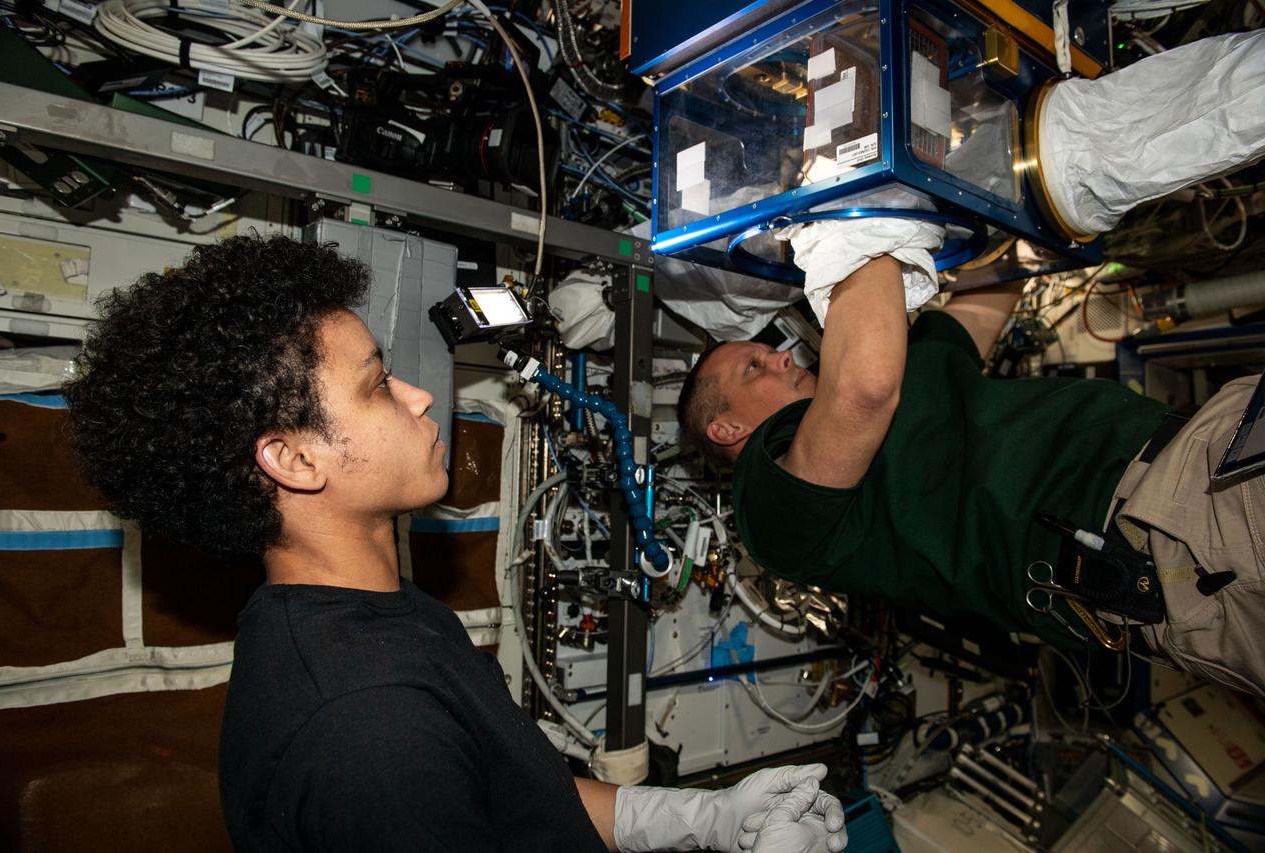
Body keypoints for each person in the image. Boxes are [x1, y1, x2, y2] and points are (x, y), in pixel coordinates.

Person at [62, 233, 847, 852]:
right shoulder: (365, 727)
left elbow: (523, 798)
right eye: (377, 385)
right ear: (294, 460)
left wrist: (700, 817)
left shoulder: (377, 616)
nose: (418, 396)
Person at [678, 254, 1265, 696]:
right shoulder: (769, 506)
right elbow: (865, 389)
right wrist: (860, 231)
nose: (781, 356)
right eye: (754, 367)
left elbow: (983, 303)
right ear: (727, 428)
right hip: (1174, 534)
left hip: (1201, 452)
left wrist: (1022, 228)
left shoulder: (899, 376)